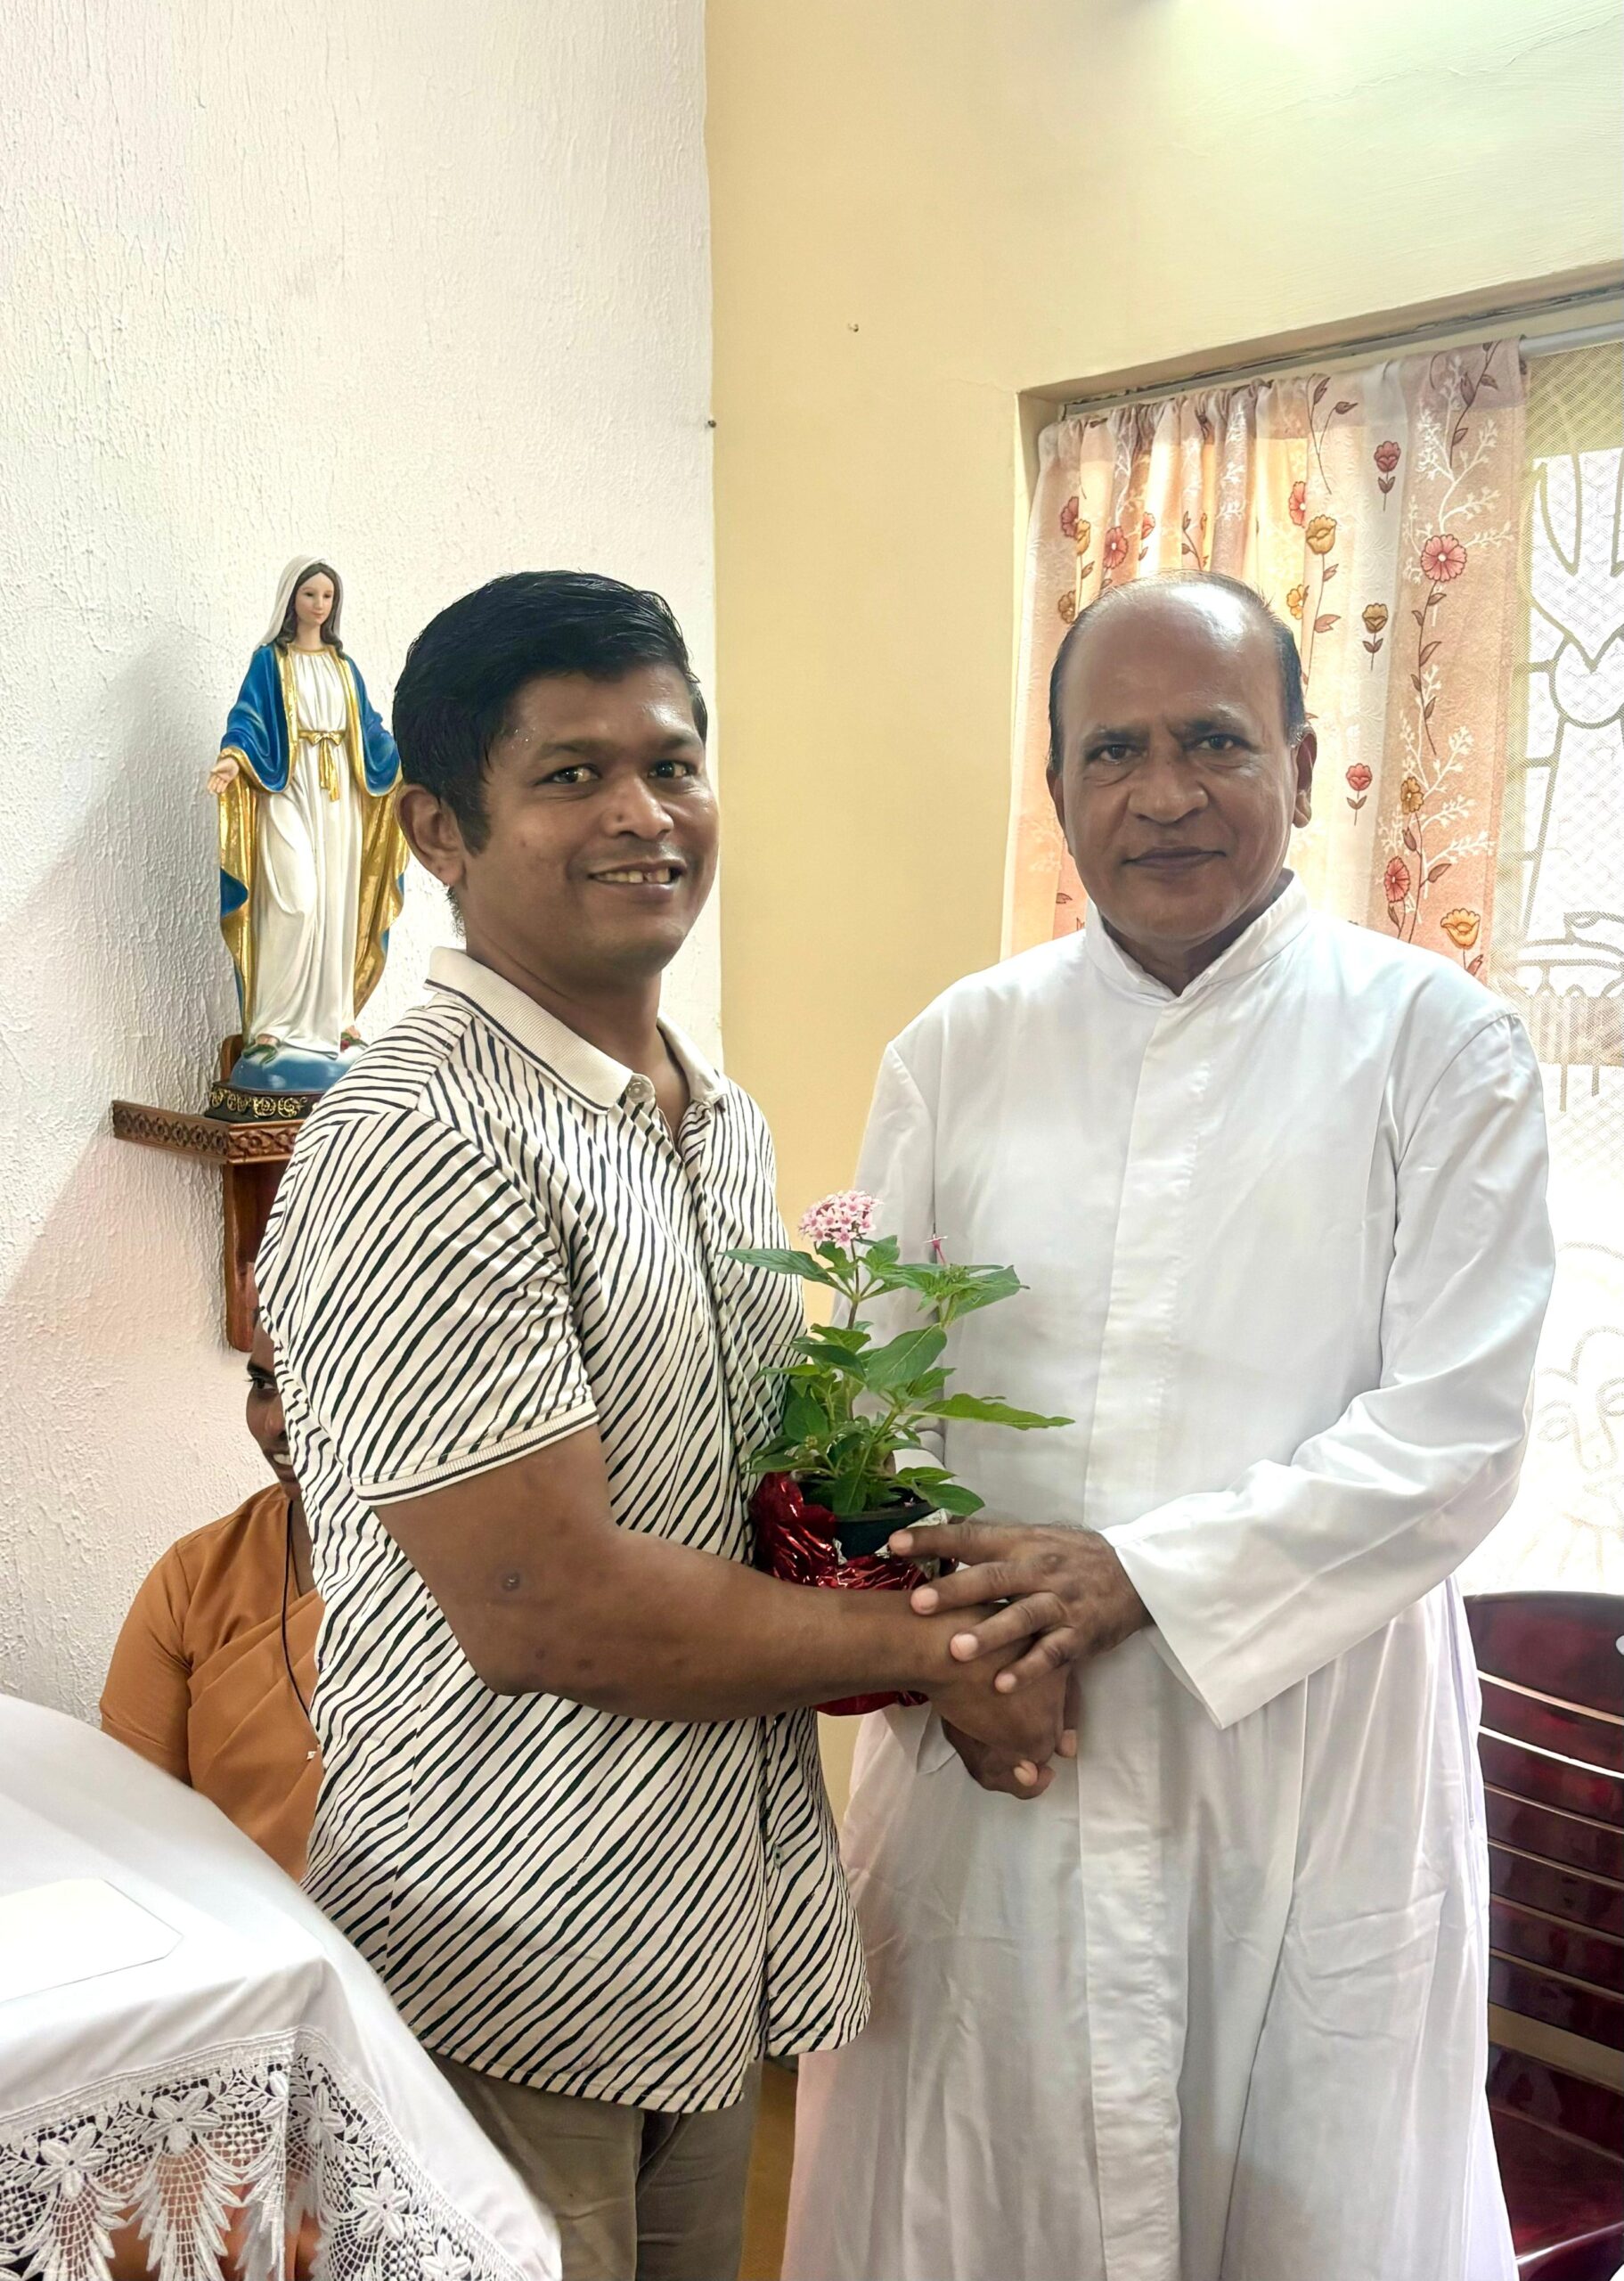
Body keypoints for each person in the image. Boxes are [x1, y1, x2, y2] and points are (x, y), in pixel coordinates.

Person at [252, 570, 1054, 2281]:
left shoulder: (710, 1115)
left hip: (697, 1932)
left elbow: (740, 1485)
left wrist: (932, 1559)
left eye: (671, 764)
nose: (642, 814)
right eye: (569, 775)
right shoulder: (426, 1133)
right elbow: (548, 1606)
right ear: (436, 830)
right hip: (503, 1940)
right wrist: (932, 1654)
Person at [783, 573, 1554, 2281]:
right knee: (974, 2195)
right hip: (1002, 1748)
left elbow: (1456, 1435)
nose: (1161, 795)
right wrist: (941, 1654)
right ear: (1055, 787)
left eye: (1211, 742)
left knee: (1301, 2196)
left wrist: (1138, 1574)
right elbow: (877, 1412)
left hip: (1298, 1765)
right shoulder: (957, 1050)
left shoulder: (1435, 1044)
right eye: (1111, 751)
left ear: (1299, 763)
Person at [101, 1317, 321, 1881]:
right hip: (224, 1922)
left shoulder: (486, 1582)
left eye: (311, 1385)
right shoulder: (195, 1577)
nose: (276, 1422)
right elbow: (131, 1823)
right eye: (263, 1384)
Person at [207, 556, 407, 1094]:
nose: (319, 605)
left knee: (336, 905)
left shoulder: (344, 666)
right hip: (287, 788)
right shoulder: (270, 662)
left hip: (339, 794)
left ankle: (336, 1021)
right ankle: (270, 1026)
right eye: (310, 594)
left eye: (327, 596)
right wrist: (233, 758)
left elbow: (370, 729)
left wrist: (407, 762)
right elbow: (248, 718)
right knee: (294, 901)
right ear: (291, 599)